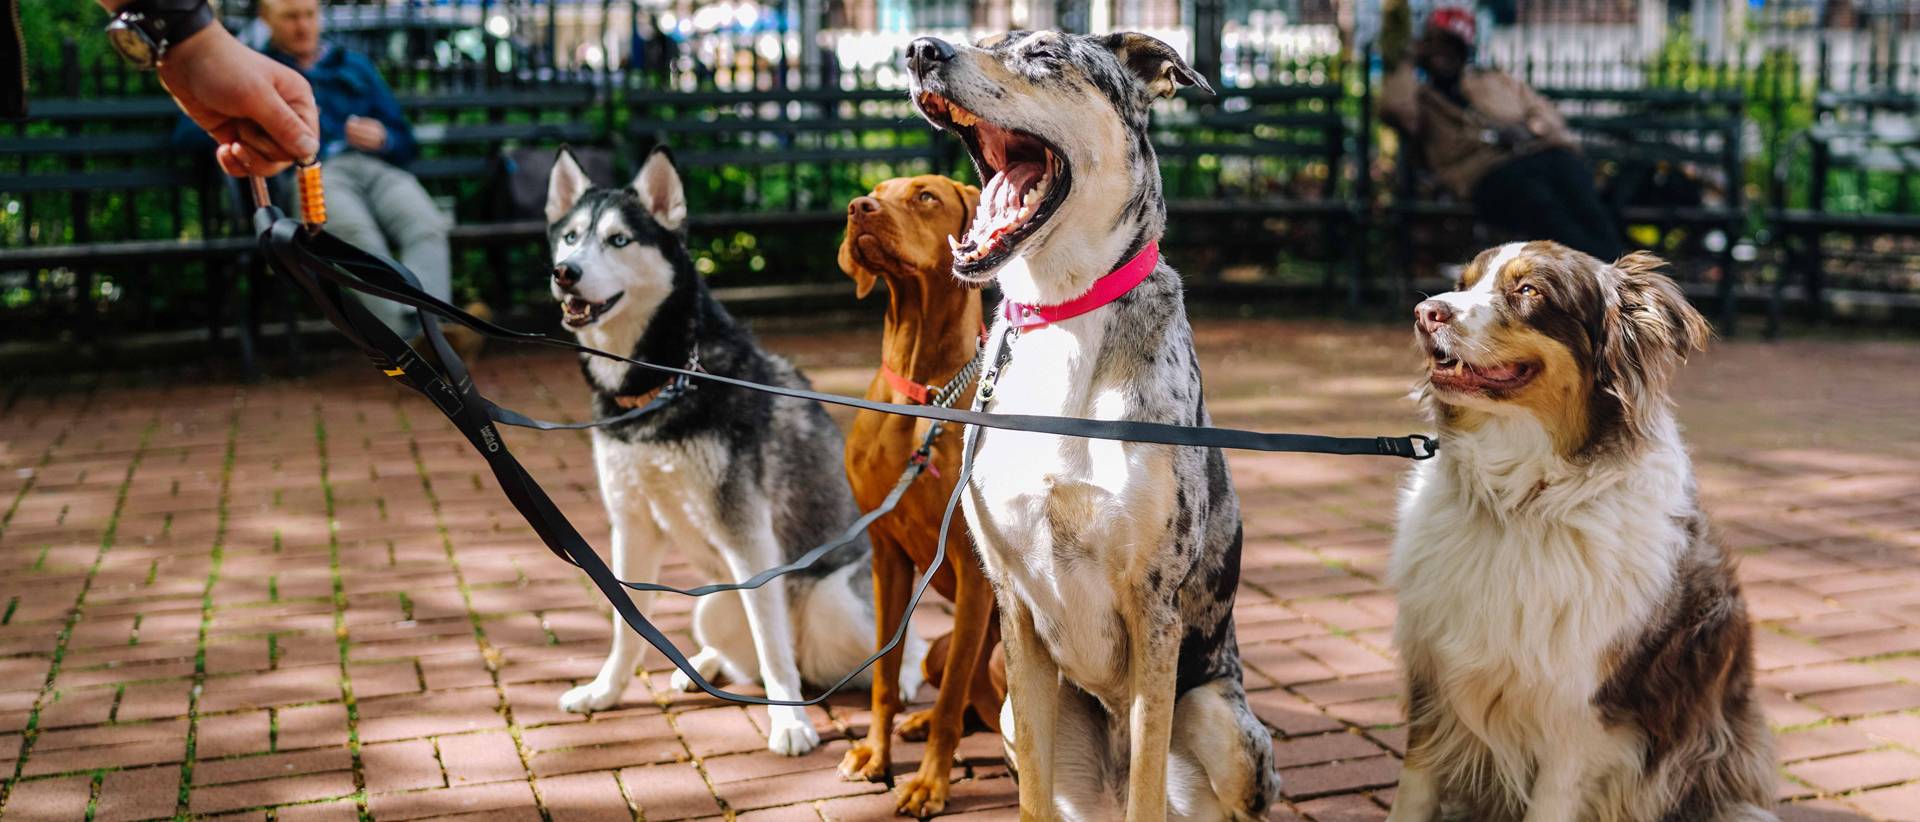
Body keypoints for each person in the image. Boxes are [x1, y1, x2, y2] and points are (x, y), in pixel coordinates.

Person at [232, 0, 484, 357]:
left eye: (309, 15)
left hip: (377, 168)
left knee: (426, 225)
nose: (303, 26)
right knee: (358, 239)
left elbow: (404, 139)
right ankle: (429, 338)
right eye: (290, 17)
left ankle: (423, 335)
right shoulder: (257, 71)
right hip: (315, 174)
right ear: (266, 20)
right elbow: (199, 133)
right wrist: (269, 128)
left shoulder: (354, 65)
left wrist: (384, 137)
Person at [1380, 4, 1624, 261]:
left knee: (1580, 191)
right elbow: (1394, 109)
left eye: (1452, 46)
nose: (1443, 54)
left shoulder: (1495, 81)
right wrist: (1408, 62)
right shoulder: (1420, 99)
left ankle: (1614, 271)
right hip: (1485, 173)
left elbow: (1544, 112)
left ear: (1464, 50)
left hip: (1538, 153)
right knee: (1541, 204)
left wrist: (1529, 129)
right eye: (1437, 46)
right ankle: (1597, 270)